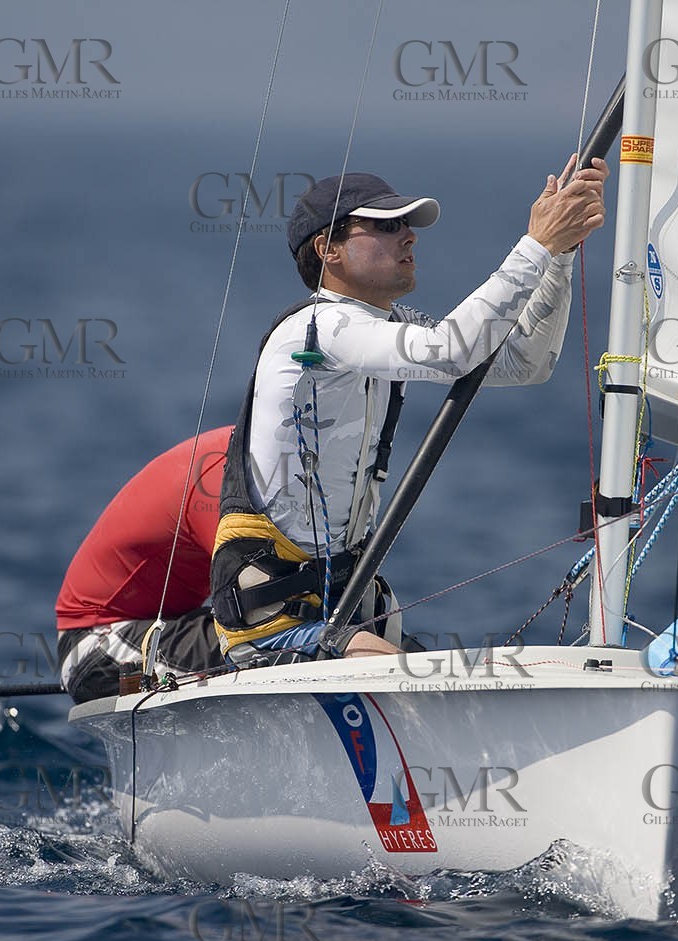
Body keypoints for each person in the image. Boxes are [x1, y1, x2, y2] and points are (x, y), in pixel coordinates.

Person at [211, 158, 608, 661]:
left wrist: (560, 256)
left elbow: (524, 364)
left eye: (406, 226)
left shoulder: (385, 326)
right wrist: (536, 246)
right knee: (437, 687)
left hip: (341, 613)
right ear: (327, 250)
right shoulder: (318, 329)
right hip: (273, 626)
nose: (408, 237)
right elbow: (450, 350)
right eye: (385, 226)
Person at [56, 426, 232, 702]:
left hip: (158, 626)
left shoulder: (259, 457)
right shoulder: (223, 476)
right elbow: (249, 601)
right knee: (268, 640)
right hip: (99, 644)